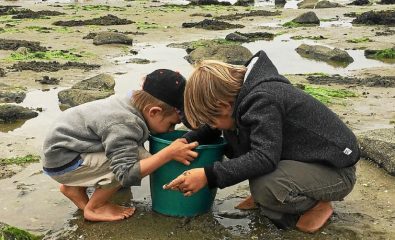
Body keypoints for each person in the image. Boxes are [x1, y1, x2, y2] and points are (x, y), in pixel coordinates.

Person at [164, 51, 360, 233]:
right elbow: (214, 127)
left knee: (266, 187)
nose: (212, 125)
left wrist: (208, 176)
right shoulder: (238, 97)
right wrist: (186, 139)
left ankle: (316, 205)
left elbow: (264, 157)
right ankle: (277, 194)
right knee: (233, 139)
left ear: (223, 105)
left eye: (212, 119)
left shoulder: (263, 99)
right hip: (303, 158)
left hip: (336, 170)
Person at [42, 69, 199, 222]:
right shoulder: (124, 122)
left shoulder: (131, 101)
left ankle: (74, 188)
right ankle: (96, 207)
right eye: (171, 124)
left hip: (72, 149)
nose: (170, 131)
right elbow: (126, 172)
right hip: (63, 161)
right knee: (134, 163)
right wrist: (168, 153)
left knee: (136, 155)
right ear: (154, 112)